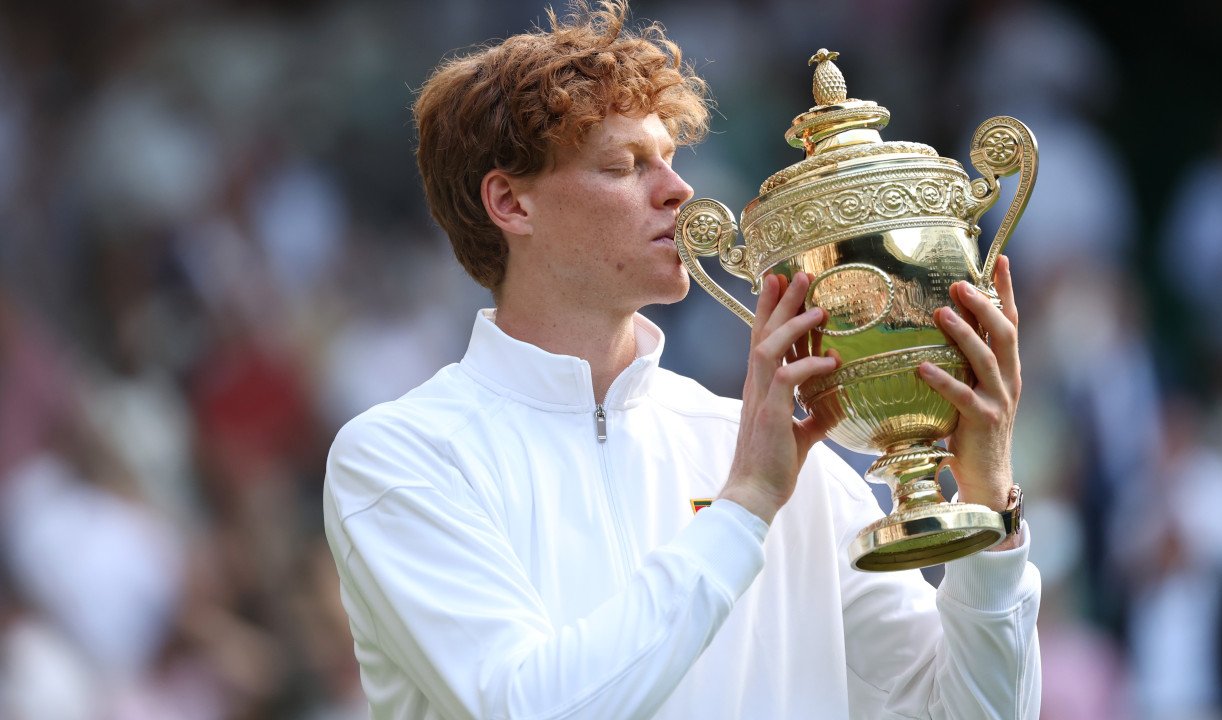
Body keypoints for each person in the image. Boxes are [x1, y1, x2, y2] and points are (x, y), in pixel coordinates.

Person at [322, 2, 1041, 718]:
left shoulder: (792, 468)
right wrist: (744, 507)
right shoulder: (400, 458)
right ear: (510, 203)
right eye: (624, 165)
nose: (678, 189)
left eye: (669, 159)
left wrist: (990, 514)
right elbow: (534, 708)